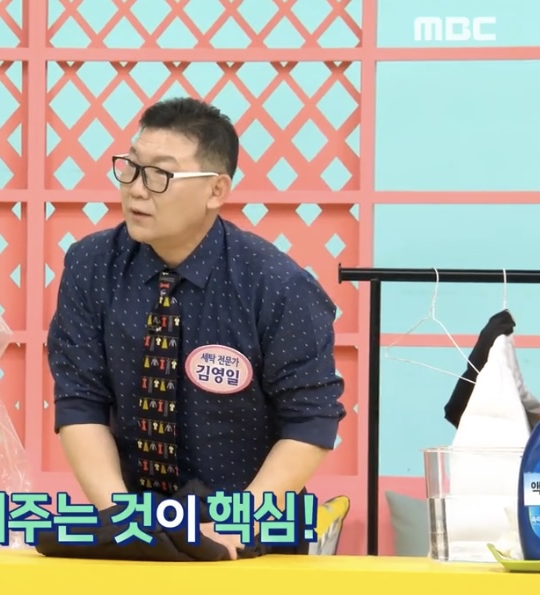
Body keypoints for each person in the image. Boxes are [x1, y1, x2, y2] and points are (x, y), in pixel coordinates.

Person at [47, 97, 346, 559]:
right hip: (134, 523)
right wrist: (125, 523)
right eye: (131, 168)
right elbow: (80, 402)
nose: (136, 190)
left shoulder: (277, 284)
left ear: (216, 190)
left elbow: (311, 421)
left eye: (159, 175)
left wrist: (237, 524)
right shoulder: (91, 265)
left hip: (251, 527)